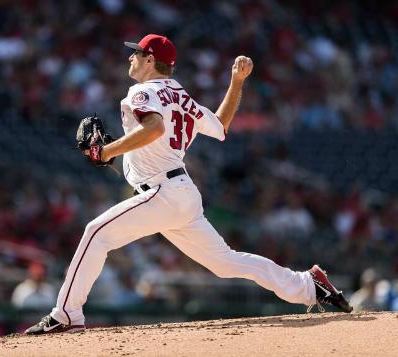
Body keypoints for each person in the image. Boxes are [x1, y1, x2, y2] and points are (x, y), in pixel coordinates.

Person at [25, 34, 352, 335]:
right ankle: (309, 286)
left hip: (162, 194)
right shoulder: (181, 95)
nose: (130, 59)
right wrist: (236, 83)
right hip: (180, 194)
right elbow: (221, 127)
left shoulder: (143, 91)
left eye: (135, 54)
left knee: (96, 233)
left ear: (150, 59)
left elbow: (153, 129)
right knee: (227, 262)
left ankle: (66, 314)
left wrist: (106, 151)